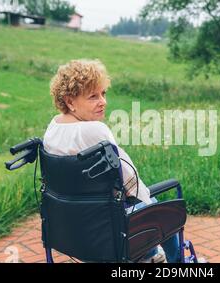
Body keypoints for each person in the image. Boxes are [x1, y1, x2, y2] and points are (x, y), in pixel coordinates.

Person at [42, 59, 180, 263]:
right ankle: (177, 263)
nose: (103, 101)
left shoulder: (53, 127)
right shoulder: (94, 130)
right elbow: (128, 179)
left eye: (103, 93)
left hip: (70, 226)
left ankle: (149, 256)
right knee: (159, 210)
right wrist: (147, 199)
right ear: (70, 101)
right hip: (108, 227)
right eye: (93, 96)